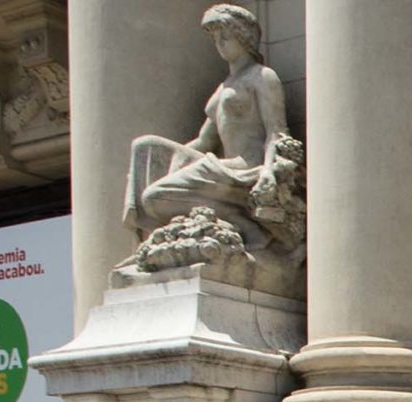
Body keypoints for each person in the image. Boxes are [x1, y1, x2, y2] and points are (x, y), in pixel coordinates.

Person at [123, 5, 296, 256]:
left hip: (246, 166)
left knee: (154, 197)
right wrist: (167, 162)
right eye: (215, 38)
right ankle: (238, 225)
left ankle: (248, 227)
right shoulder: (223, 87)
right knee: (144, 145)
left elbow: (277, 132)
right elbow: (203, 142)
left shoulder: (262, 77)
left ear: (243, 37)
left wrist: (269, 170)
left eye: (225, 35)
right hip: (220, 165)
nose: (220, 43)